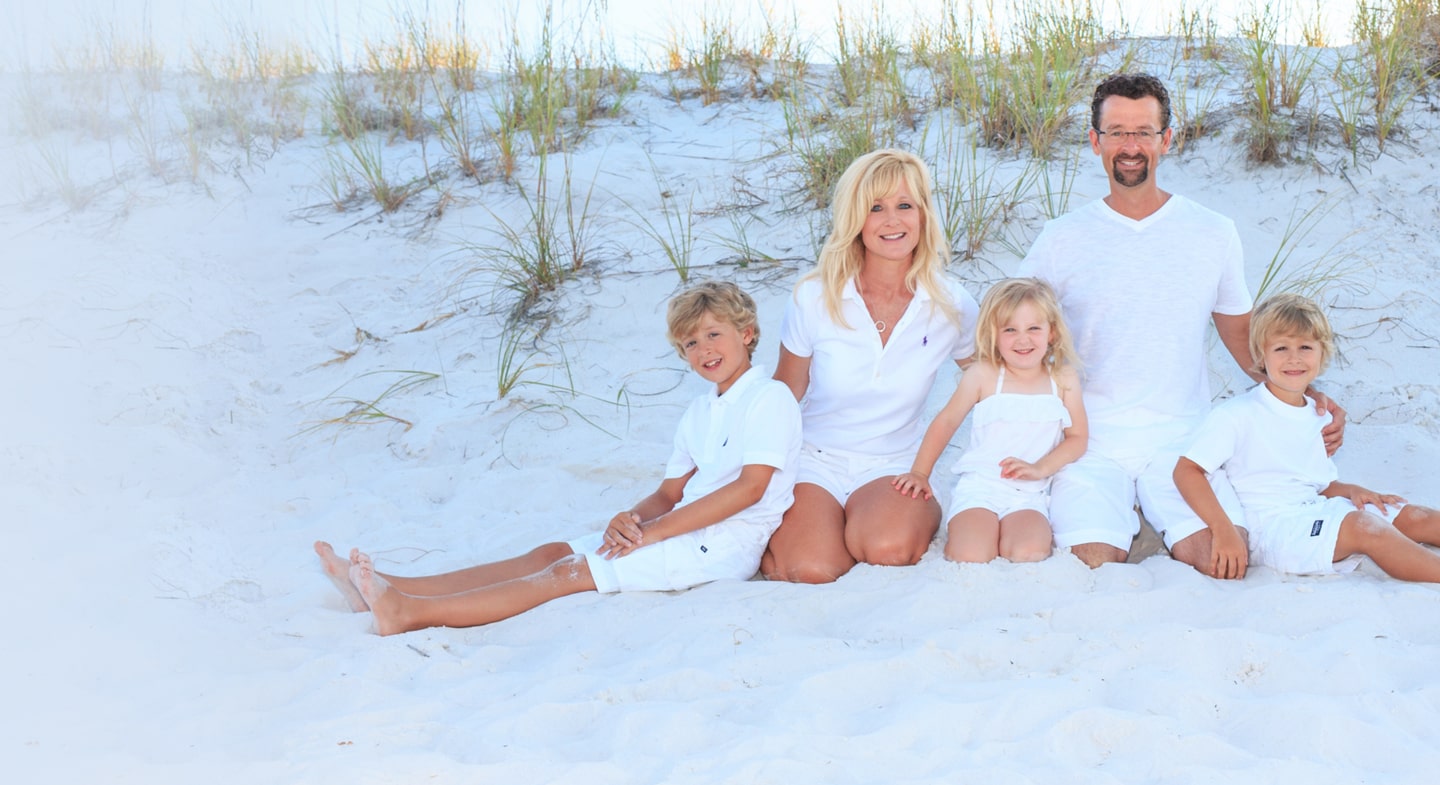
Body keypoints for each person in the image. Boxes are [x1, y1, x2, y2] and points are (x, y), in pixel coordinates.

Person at [314, 281, 802, 635]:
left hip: (720, 547)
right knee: (551, 553)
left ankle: (407, 613)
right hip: (679, 527)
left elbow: (749, 489)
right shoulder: (701, 409)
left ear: (748, 334)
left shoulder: (770, 398)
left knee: (564, 575)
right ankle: (391, 586)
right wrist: (629, 520)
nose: (703, 350)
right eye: (690, 343)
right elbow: (669, 493)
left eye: (714, 334)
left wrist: (650, 534)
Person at [1018, 72, 1345, 571]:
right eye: (1117, 132)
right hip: (1088, 440)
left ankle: (1152, 512)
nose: (1130, 146)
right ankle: (1122, 513)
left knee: (1221, 559)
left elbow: (1242, 335)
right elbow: (1015, 332)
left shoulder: (1212, 232)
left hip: (1182, 441)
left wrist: (1301, 398)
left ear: (1166, 140)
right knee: (1093, 561)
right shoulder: (1061, 238)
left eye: (1143, 132)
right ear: (1095, 142)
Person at [761, 149, 980, 583]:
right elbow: (784, 393)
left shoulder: (951, 304)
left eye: (904, 206)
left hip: (894, 464)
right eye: (875, 208)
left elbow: (987, 378)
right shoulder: (814, 297)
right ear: (855, 220)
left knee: (889, 549)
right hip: (814, 460)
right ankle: (801, 536)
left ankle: (858, 524)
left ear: (923, 216)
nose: (892, 221)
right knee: (813, 568)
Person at [1174, 293, 1440, 581]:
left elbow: (1317, 484)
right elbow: (1187, 471)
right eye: (1280, 348)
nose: (1294, 358)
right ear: (1261, 355)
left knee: (1413, 516)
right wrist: (1223, 529)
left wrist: (1352, 490)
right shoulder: (1236, 415)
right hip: (1276, 529)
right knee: (1365, 527)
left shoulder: (1318, 414)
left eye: (1305, 347)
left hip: (1316, 508)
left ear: (1322, 353)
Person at [892, 278, 1087, 563]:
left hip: (1029, 492)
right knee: (970, 554)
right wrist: (920, 473)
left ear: (1052, 332)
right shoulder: (983, 375)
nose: (1023, 339)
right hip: (981, 487)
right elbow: (946, 422)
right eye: (1010, 330)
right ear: (993, 335)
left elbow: (1078, 438)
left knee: (1028, 553)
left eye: (1034, 328)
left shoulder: (1063, 379)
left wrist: (1039, 468)